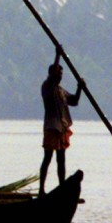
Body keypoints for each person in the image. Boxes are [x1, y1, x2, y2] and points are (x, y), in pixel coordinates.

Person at [39, 47, 84, 195]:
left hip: (62, 128)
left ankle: (61, 187)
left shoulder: (61, 91)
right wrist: (57, 55)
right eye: (58, 73)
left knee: (61, 159)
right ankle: (41, 189)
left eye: (61, 74)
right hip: (52, 127)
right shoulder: (47, 87)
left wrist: (80, 88)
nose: (60, 76)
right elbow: (52, 78)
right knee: (47, 158)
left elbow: (75, 101)